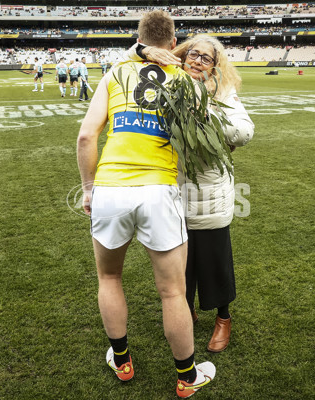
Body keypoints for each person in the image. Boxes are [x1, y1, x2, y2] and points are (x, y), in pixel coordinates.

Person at [77, 11, 215, 399]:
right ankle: (186, 378)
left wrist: (89, 189)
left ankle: (122, 361)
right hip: (158, 188)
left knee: (109, 278)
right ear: (174, 45)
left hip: (111, 186)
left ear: (138, 39)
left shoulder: (115, 71)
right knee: (172, 292)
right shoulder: (185, 80)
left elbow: (87, 137)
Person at [129, 34, 255, 353]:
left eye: (206, 58)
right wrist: (143, 49)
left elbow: (243, 132)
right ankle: (185, 312)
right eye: (193, 54)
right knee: (178, 267)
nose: (197, 61)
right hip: (171, 194)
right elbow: (128, 62)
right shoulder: (170, 83)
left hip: (210, 196)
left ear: (215, 66)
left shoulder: (221, 92)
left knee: (215, 263)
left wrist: (204, 111)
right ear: (183, 56)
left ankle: (223, 318)